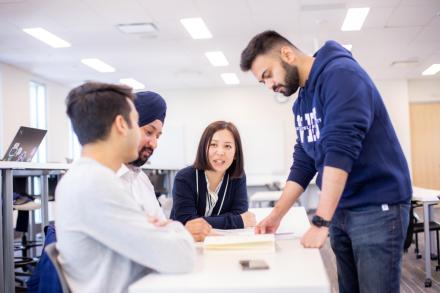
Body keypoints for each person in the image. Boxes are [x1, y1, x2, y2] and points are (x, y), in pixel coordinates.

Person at [240, 30, 411, 293]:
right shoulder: (302, 102)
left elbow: (339, 149)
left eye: (268, 75)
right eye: (263, 82)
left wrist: (320, 221)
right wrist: (276, 216)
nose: (270, 85)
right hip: (343, 209)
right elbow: (304, 161)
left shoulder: (341, 75)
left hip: (377, 208)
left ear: (287, 54)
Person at [55, 82, 195, 293]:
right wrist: (173, 228)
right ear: (122, 124)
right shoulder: (95, 184)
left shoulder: (86, 177)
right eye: (136, 122)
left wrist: (159, 228)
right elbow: (182, 256)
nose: (153, 143)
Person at [118, 90, 212, 241]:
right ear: (124, 127)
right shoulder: (102, 181)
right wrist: (182, 232)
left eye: (158, 136)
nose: (154, 144)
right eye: (149, 132)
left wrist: (181, 230)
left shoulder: (141, 179)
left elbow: (161, 226)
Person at [171, 121, 256, 229]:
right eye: (213, 144)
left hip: (222, 242)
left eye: (227, 146)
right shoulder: (184, 178)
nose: (220, 152)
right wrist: (236, 221)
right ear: (203, 148)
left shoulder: (237, 176)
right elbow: (186, 222)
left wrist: (200, 221)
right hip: (187, 244)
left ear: (235, 153)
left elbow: (240, 213)